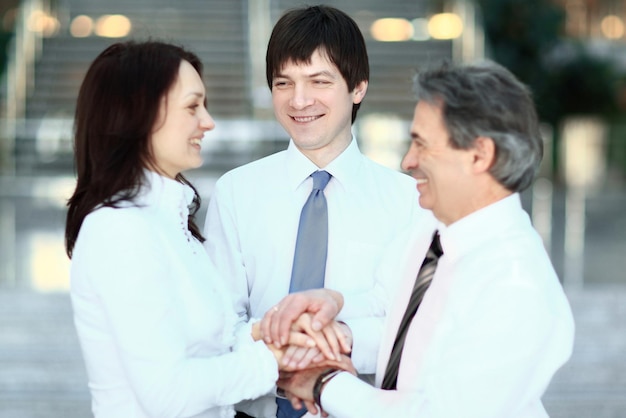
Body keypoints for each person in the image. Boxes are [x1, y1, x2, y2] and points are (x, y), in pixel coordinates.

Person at [273, 60, 576, 417]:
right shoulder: (431, 230)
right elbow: (394, 319)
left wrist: (323, 382)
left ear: (480, 155)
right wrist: (335, 316)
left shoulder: (516, 283)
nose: (408, 160)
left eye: (422, 144)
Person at [64, 40, 346, 418]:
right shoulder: (119, 230)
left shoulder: (171, 223)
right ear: (141, 114)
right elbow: (169, 394)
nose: (208, 121)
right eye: (192, 106)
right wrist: (276, 362)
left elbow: (215, 345)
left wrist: (279, 332)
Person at [202, 5, 424, 418]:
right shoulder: (236, 191)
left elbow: (407, 327)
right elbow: (219, 323)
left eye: (318, 81)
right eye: (283, 83)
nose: (299, 100)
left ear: (358, 87)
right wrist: (279, 354)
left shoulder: (409, 199)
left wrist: (331, 343)